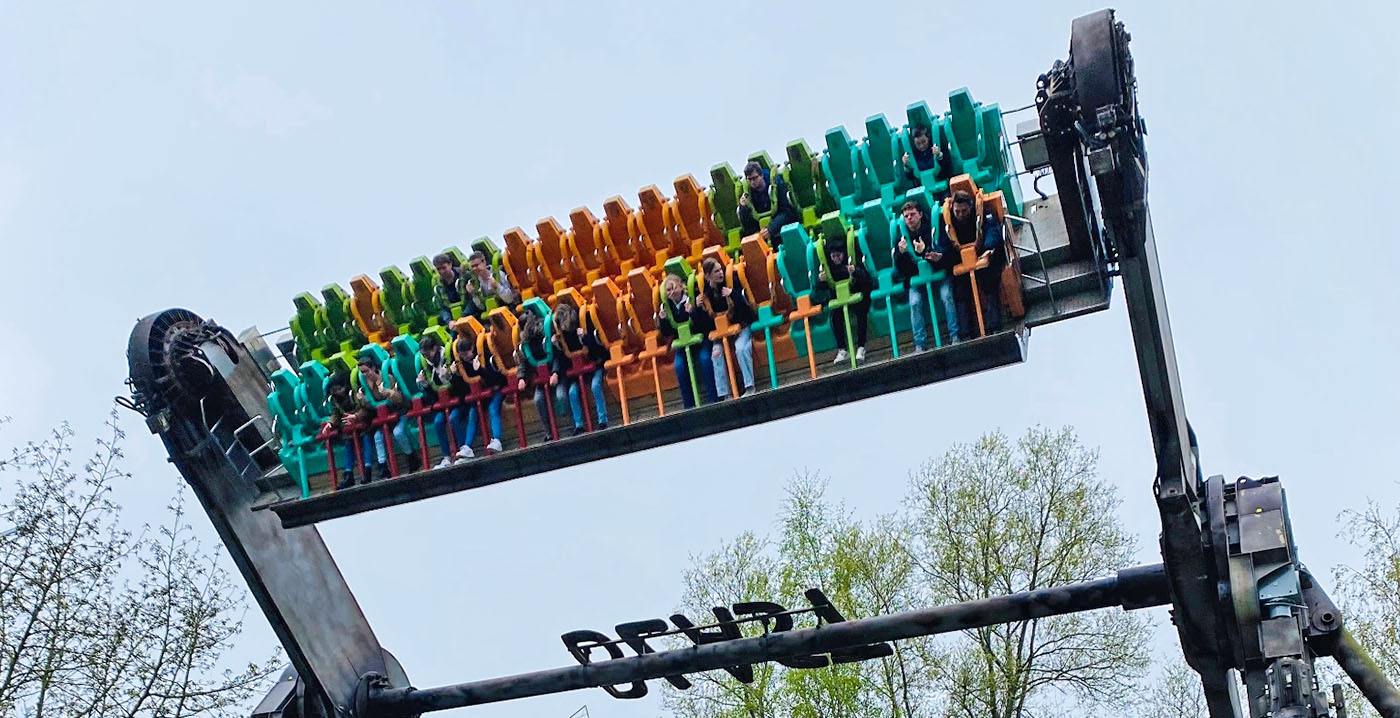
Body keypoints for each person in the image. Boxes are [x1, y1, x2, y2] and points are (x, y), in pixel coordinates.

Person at [894, 199, 959, 351]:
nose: (909, 218)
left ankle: (954, 335)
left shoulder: (933, 228)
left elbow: (947, 252)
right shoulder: (902, 238)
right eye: (906, 216)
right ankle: (919, 344)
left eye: (912, 214)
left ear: (921, 215)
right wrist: (901, 254)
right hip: (917, 278)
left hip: (938, 272)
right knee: (914, 302)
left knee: (946, 295)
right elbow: (902, 269)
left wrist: (928, 253)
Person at [941, 190, 1005, 340]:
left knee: (990, 285)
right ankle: (966, 333)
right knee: (961, 293)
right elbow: (944, 243)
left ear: (970, 207)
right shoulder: (947, 221)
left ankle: (994, 326)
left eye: (964, 211)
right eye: (957, 211)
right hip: (960, 259)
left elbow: (992, 231)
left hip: (983, 255)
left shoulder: (983, 213)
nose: (961, 214)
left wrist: (988, 248)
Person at [696, 257, 756, 397]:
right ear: (708, 276)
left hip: (740, 327)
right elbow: (704, 324)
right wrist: (697, 309)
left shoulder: (731, 282)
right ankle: (725, 394)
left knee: (741, 348)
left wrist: (733, 295)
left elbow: (746, 310)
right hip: (721, 331)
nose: (720, 274)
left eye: (720, 270)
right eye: (716, 272)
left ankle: (750, 387)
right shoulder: (706, 293)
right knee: (716, 354)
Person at [656, 273, 718, 408]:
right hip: (683, 342)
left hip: (700, 338)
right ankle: (688, 405)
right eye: (668, 290)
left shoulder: (692, 299)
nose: (672, 292)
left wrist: (693, 312)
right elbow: (668, 332)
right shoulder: (667, 308)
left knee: (705, 359)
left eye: (673, 288)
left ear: (680, 286)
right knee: (679, 366)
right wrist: (663, 320)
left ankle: (714, 398)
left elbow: (704, 323)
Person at [354, 355, 421, 478]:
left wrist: (389, 393)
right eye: (362, 372)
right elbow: (371, 408)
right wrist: (363, 400)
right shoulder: (365, 386)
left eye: (366, 371)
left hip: (399, 412)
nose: (364, 375)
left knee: (398, 432)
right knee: (378, 437)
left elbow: (400, 399)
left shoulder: (387, 378)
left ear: (373, 368)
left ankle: (411, 457)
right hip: (385, 417)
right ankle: (383, 466)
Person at [551, 303, 609, 434]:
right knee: (572, 392)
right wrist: (558, 346)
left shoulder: (583, 322)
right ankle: (579, 424)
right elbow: (563, 360)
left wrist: (585, 338)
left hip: (595, 364)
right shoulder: (562, 336)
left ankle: (602, 420)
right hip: (577, 370)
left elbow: (599, 348)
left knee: (595, 385)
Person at [814, 236, 872, 364]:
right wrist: (821, 281)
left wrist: (855, 271)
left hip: (857, 294)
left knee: (861, 312)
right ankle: (842, 350)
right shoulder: (828, 269)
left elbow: (866, 279)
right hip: (839, 297)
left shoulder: (852, 261)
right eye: (833, 256)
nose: (836, 259)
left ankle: (861, 347)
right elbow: (820, 288)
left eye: (838, 255)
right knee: (835, 317)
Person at [415, 334, 470, 468]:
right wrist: (425, 385)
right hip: (444, 403)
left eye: (429, 353)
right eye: (425, 355)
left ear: (435, 348)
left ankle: (463, 451)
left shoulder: (448, 357)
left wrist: (450, 377)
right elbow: (433, 396)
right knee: (438, 421)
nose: (428, 358)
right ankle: (446, 456)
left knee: (453, 418)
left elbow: (462, 386)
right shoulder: (426, 366)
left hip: (460, 399)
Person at [451, 329, 507, 456]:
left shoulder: (485, 356)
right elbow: (462, 389)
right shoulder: (462, 365)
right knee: (473, 412)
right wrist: (454, 376)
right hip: (479, 396)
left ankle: (497, 439)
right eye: (463, 356)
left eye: (467, 354)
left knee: (493, 408)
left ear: (472, 348)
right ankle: (467, 447)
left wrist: (480, 370)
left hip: (495, 390)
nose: (466, 358)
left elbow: (497, 378)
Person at [517, 310, 561, 440]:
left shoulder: (545, 334)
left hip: (556, 374)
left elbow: (557, 355)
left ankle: (568, 426)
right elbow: (523, 363)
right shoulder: (524, 344)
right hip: (541, 379)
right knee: (538, 400)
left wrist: (555, 372)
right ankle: (549, 432)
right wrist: (521, 378)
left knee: (561, 395)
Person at [737, 161, 801, 248]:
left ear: (761, 175)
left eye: (755, 178)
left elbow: (788, 212)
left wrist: (771, 228)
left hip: (783, 228)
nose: (752, 182)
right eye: (750, 179)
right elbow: (748, 226)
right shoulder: (749, 195)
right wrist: (743, 208)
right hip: (764, 235)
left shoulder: (777, 185)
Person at [324, 371, 368, 487]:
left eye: (339, 389)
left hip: (364, 423)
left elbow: (366, 408)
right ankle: (348, 473)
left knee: (366, 438)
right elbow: (335, 413)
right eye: (334, 391)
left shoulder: (354, 393)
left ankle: (367, 469)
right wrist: (330, 423)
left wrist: (356, 416)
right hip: (348, 427)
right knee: (348, 444)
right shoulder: (334, 399)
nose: (337, 392)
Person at [898, 125, 954, 193]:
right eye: (918, 144)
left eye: (924, 142)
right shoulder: (913, 155)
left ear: (928, 138)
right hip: (923, 189)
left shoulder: (939, 147)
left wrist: (939, 155)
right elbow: (911, 177)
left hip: (943, 184)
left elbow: (948, 167)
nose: (921, 146)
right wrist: (906, 165)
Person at [463, 250, 520, 316]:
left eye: (476, 265)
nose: (475, 269)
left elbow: (510, 299)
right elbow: (482, 307)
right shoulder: (476, 283)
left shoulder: (498, 275)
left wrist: (497, 286)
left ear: (483, 262)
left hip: (508, 310)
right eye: (472, 267)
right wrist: (474, 294)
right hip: (491, 315)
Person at [433, 253, 466, 326]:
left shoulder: (463, 276)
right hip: (454, 321)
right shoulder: (439, 287)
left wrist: (463, 316)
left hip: (470, 314)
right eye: (438, 269)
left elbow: (471, 300)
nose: (441, 271)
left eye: (444, 268)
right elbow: (442, 308)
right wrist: (449, 321)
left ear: (450, 265)